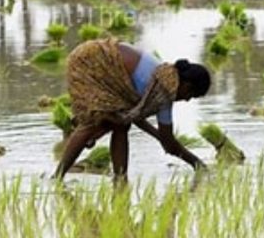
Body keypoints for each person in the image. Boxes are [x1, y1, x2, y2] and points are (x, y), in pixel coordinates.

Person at [54, 38, 211, 181]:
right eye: (190, 95)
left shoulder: (165, 76)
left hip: (101, 59)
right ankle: (57, 176)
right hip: (91, 62)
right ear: (187, 86)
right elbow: (169, 144)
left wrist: (159, 136)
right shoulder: (164, 91)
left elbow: (133, 117)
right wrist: (196, 162)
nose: (187, 99)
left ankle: (120, 178)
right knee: (91, 124)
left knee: (121, 125)